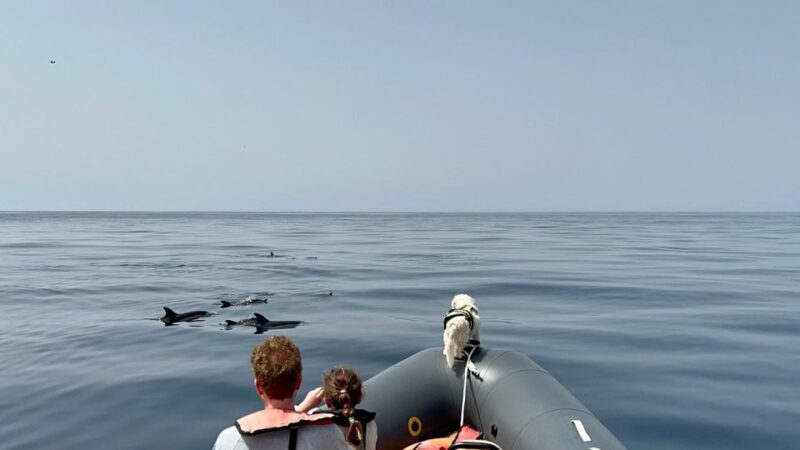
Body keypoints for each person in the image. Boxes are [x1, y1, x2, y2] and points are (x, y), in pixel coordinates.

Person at [212, 336, 352, 450]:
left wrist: (303, 408)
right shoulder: (328, 434)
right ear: (299, 382)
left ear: (258, 387)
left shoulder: (230, 440)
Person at [298, 366, 378, 450]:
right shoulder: (369, 424)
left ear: (328, 402)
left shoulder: (315, 426)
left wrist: (303, 407)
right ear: (359, 397)